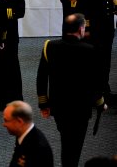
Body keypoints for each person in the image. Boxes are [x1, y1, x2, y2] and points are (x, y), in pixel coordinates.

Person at [37, 13, 105, 167]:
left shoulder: (50, 46)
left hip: (59, 106)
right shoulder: (90, 51)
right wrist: (100, 103)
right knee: (75, 144)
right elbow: (95, 83)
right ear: (81, 29)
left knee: (66, 140)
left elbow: (41, 77)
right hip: (81, 108)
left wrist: (43, 103)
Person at [78, 0, 117, 104]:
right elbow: (83, 6)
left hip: (107, 26)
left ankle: (104, 89)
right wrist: (86, 28)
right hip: (95, 28)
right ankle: (93, 92)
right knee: (95, 60)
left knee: (106, 58)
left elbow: (109, 0)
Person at [3, 101, 54, 167]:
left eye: (6, 120)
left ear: (19, 122)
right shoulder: (22, 133)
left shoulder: (38, 150)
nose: (4, 124)